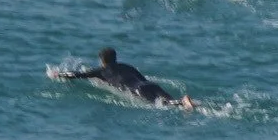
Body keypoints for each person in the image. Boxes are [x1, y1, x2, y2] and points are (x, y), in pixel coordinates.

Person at [59, 47, 195, 109]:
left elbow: (77, 75)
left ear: (102, 60)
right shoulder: (128, 66)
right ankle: (185, 100)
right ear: (115, 58)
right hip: (150, 85)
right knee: (169, 100)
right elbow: (143, 79)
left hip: (137, 90)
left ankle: (182, 102)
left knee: (161, 104)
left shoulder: (101, 70)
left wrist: (58, 74)